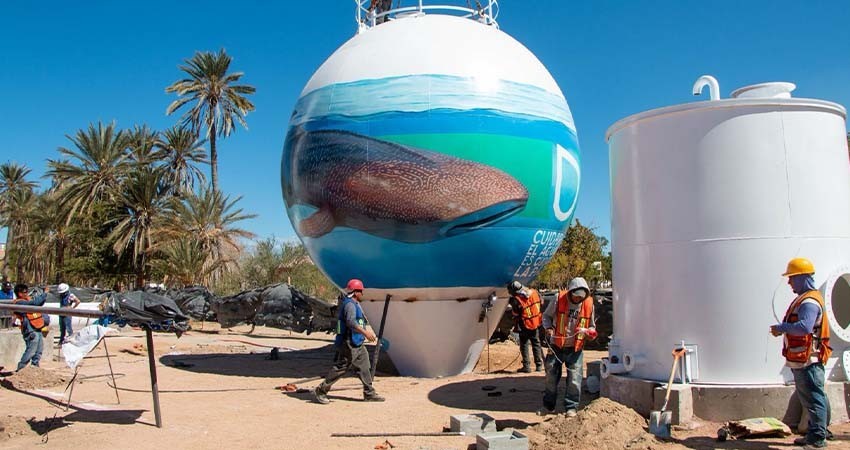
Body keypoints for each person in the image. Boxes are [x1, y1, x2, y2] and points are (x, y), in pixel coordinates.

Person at [770, 258, 831, 448]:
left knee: (814, 398)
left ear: (803, 277)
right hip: (803, 359)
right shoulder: (806, 298)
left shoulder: (809, 302)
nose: (789, 283)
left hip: (808, 360)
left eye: (792, 278)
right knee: (813, 397)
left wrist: (782, 327)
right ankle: (817, 433)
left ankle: (818, 438)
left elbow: (805, 327)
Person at [314, 279, 385, 404]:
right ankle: (321, 390)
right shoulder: (350, 305)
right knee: (342, 367)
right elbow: (351, 322)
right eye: (360, 291)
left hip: (357, 342)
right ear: (356, 292)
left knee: (364, 366)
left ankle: (369, 393)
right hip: (349, 342)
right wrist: (366, 333)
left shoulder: (353, 303)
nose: (362, 294)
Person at [539, 277, 597, 417]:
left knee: (574, 380)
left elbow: (592, 327)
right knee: (551, 377)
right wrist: (548, 329)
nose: (578, 300)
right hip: (556, 346)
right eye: (576, 297)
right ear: (570, 292)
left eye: (580, 298)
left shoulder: (589, 304)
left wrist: (590, 334)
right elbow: (546, 316)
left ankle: (571, 407)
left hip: (575, 349)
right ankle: (548, 405)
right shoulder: (558, 299)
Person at [507, 281, 544, 373]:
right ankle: (539, 365)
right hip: (536, 322)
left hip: (525, 324)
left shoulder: (516, 299)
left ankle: (526, 366)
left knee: (524, 345)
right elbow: (541, 302)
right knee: (536, 343)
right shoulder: (534, 292)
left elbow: (515, 313)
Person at [12, 284, 48, 371]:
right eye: (25, 292)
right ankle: (21, 368)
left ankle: (35, 368)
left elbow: (38, 304)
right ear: (19, 293)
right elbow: (34, 303)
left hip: (37, 328)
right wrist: (45, 293)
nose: (27, 294)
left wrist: (43, 295)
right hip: (30, 330)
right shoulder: (19, 303)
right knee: (31, 350)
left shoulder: (27, 300)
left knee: (38, 351)